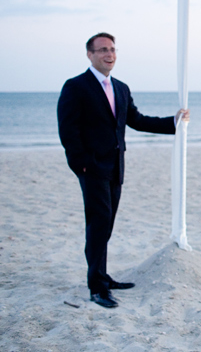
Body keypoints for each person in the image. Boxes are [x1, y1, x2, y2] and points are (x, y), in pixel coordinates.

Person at [57, 32, 189, 308]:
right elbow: (68, 130)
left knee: (107, 223)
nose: (109, 54)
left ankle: (102, 275)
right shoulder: (76, 86)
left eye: (113, 49)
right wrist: (80, 163)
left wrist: (173, 122)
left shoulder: (121, 87)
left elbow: (136, 120)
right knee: (99, 223)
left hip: (116, 166)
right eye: (103, 50)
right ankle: (97, 287)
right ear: (90, 55)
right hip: (91, 167)